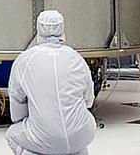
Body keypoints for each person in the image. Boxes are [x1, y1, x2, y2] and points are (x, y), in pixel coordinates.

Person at [5, 10, 96, 155]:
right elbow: (88, 101)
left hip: (44, 139)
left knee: (12, 135)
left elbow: (17, 110)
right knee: (78, 135)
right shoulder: (76, 58)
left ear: (38, 29)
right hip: (81, 135)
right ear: (62, 28)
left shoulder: (24, 61)